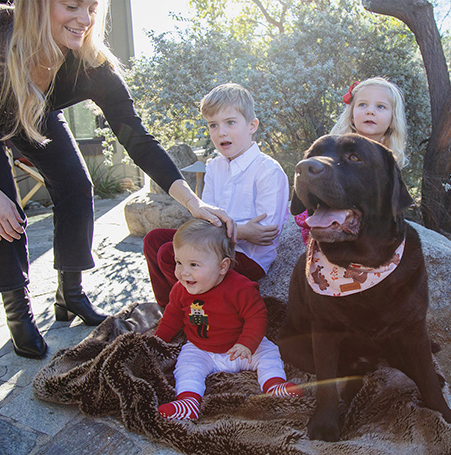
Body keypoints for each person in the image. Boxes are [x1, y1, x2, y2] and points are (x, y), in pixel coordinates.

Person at [0, 1, 232, 359]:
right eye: (72, 5)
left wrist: (192, 202)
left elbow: (136, 137)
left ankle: (70, 295)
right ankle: (17, 310)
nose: (85, 20)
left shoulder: (91, 64)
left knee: (76, 184)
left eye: (91, 7)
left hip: (38, 111)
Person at [143, 83, 289, 307]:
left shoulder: (267, 170)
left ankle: (195, 309)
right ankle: (170, 308)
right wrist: (242, 230)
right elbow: (206, 220)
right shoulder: (214, 167)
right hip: (213, 247)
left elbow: (265, 232)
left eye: (230, 122)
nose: (221, 132)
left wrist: (235, 231)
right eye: (213, 125)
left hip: (248, 257)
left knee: (167, 253)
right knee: (154, 240)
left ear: (252, 125)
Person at [154, 220, 301, 420]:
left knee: (268, 352)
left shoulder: (240, 288)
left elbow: (256, 315)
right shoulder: (181, 289)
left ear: (222, 266)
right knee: (186, 365)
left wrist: (246, 344)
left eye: (194, 265)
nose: (183, 272)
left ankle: (274, 385)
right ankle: (188, 402)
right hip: (202, 348)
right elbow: (172, 317)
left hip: (240, 349)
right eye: (179, 262)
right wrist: (156, 341)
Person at [295, 77, 408, 244]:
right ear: (352, 115)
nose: (370, 111)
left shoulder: (388, 159)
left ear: (392, 119)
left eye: (380, 106)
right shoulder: (333, 147)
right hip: (328, 207)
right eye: (362, 104)